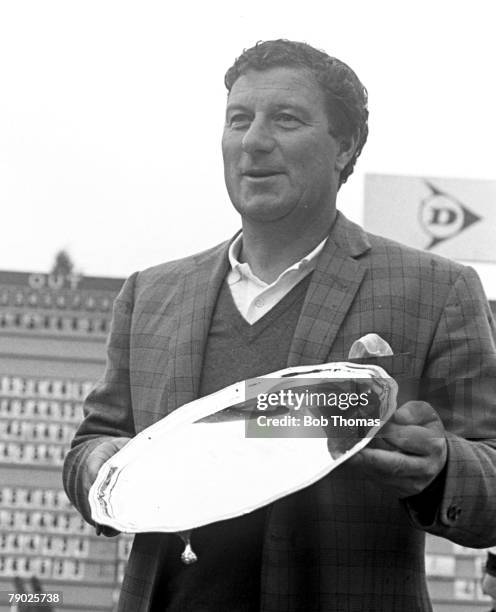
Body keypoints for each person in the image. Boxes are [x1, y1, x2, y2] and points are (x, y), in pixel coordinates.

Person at [63, 39, 496, 612]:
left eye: (285, 119)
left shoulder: (436, 290)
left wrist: (441, 468)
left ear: (344, 147)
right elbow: (91, 447)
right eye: (238, 120)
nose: (254, 140)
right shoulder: (151, 293)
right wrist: (98, 469)